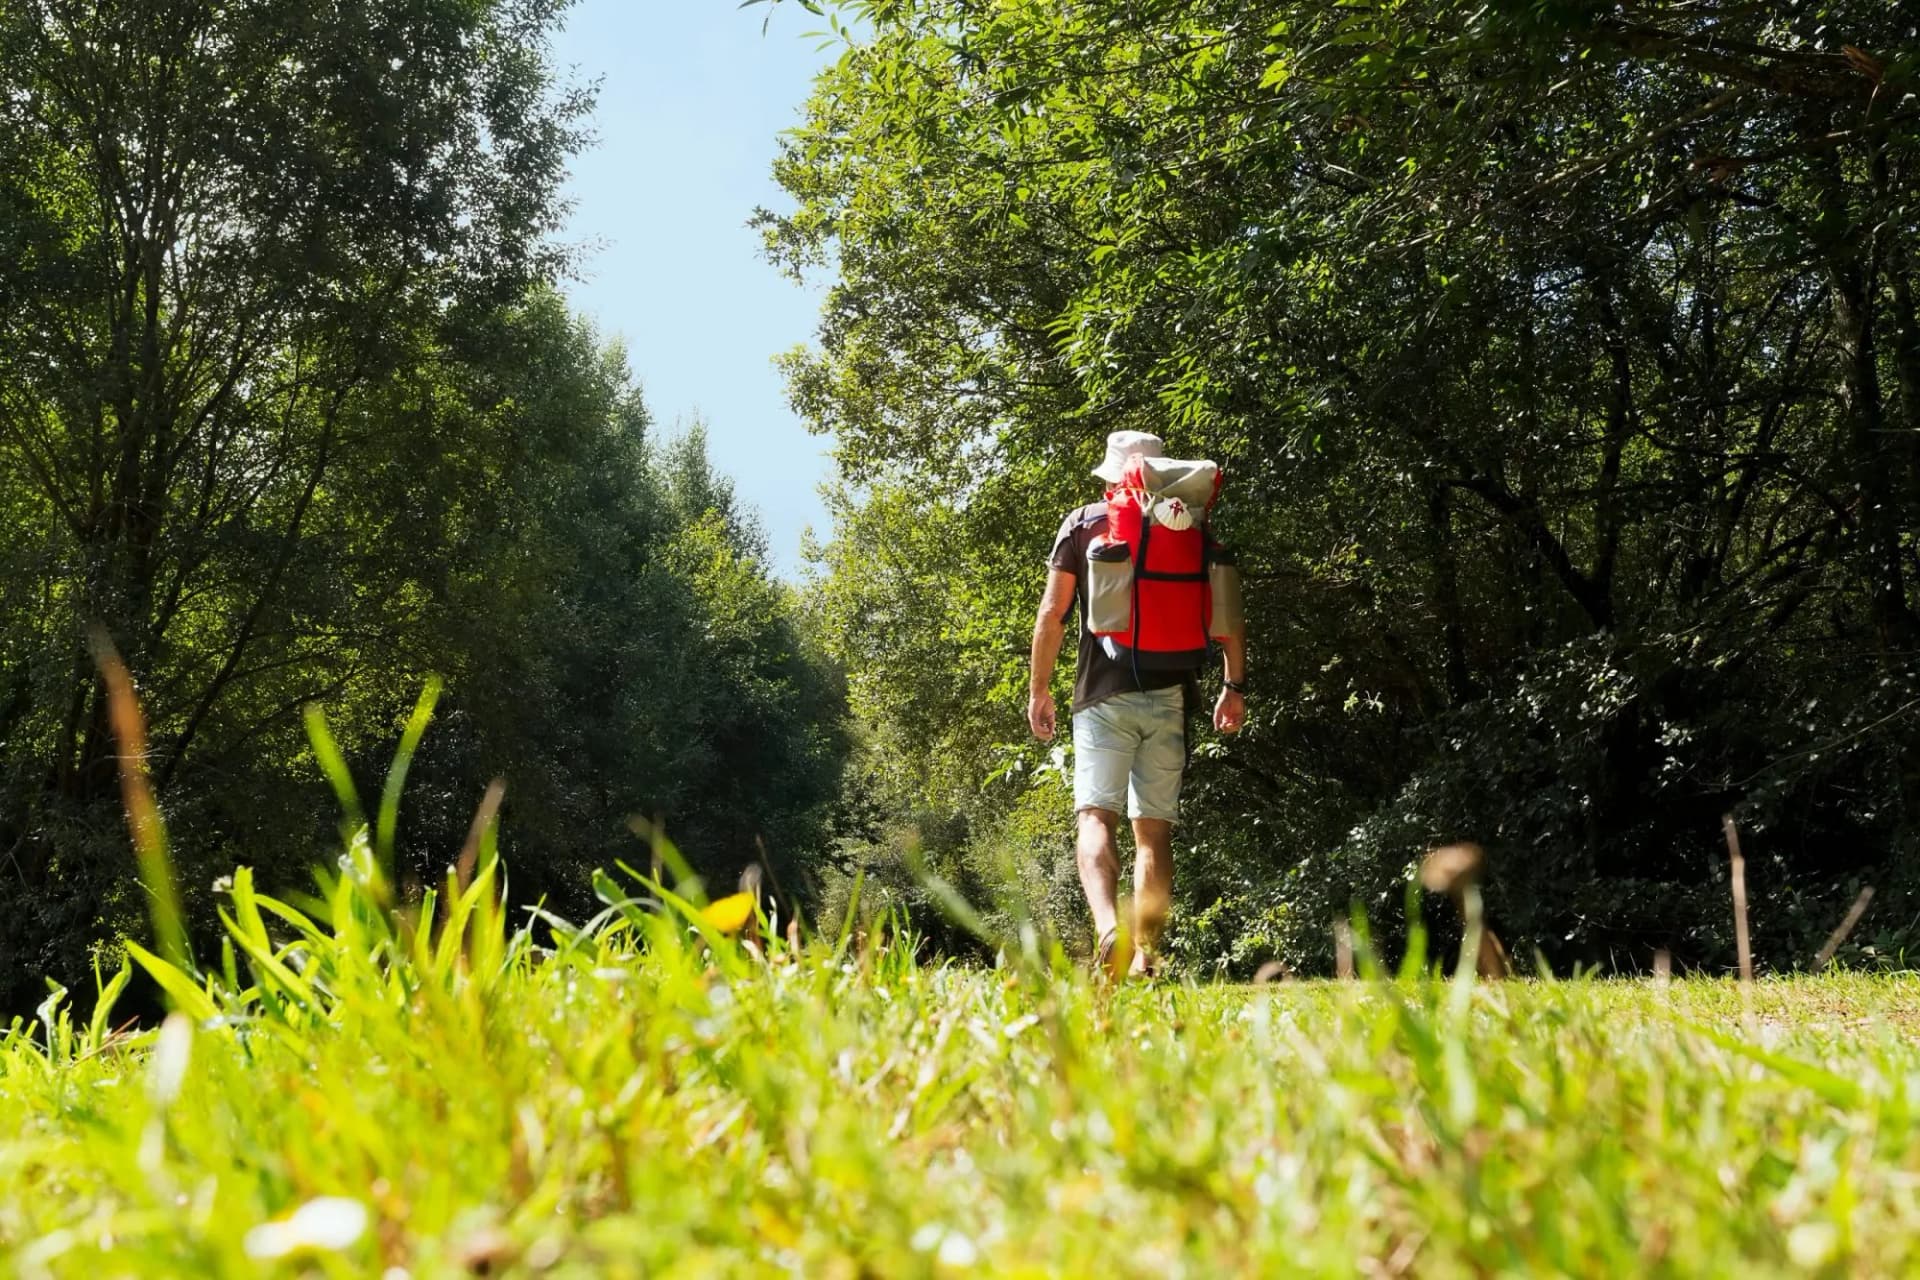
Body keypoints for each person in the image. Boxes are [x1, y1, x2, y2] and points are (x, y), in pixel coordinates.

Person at [1028, 430, 1246, 978]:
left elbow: (1053, 614)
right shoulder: (1190, 524)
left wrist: (1040, 689)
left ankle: (1108, 931)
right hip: (1171, 693)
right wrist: (1233, 686)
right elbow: (1226, 612)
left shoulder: (1084, 522)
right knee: (1153, 832)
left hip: (1102, 696)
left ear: (1113, 474)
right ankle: (1146, 953)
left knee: (1095, 815)